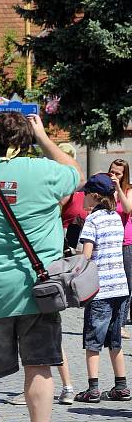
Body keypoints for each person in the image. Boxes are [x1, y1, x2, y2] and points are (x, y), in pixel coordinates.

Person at [0, 112, 83, 422]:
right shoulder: (45, 171)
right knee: (39, 366)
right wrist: (43, 138)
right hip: (38, 292)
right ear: (28, 141)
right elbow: (77, 174)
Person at [72, 173, 130, 402]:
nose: (82, 198)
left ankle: (93, 389)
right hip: (120, 288)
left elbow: (86, 256)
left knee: (93, 341)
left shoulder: (92, 220)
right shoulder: (116, 217)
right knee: (115, 340)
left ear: (94, 196)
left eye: (84, 194)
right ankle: (121, 386)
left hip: (101, 290)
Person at [107, 158, 132, 330]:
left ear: (124, 175)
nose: (114, 175)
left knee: (127, 284)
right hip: (110, 241)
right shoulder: (105, 189)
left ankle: (121, 323)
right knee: (111, 283)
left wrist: (118, 189)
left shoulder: (128, 190)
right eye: (112, 171)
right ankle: (110, 319)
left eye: (118, 173)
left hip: (126, 242)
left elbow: (128, 208)